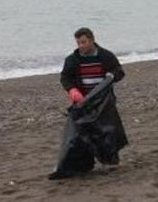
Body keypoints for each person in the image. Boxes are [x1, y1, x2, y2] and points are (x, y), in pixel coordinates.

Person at [49, 27, 128, 180]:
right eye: (78, 43)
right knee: (80, 134)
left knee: (107, 131)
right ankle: (81, 165)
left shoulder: (106, 56)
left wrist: (112, 75)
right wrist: (72, 90)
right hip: (82, 101)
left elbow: (119, 71)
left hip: (103, 101)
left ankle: (112, 161)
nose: (81, 46)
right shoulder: (72, 59)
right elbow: (65, 77)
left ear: (92, 40)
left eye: (83, 42)